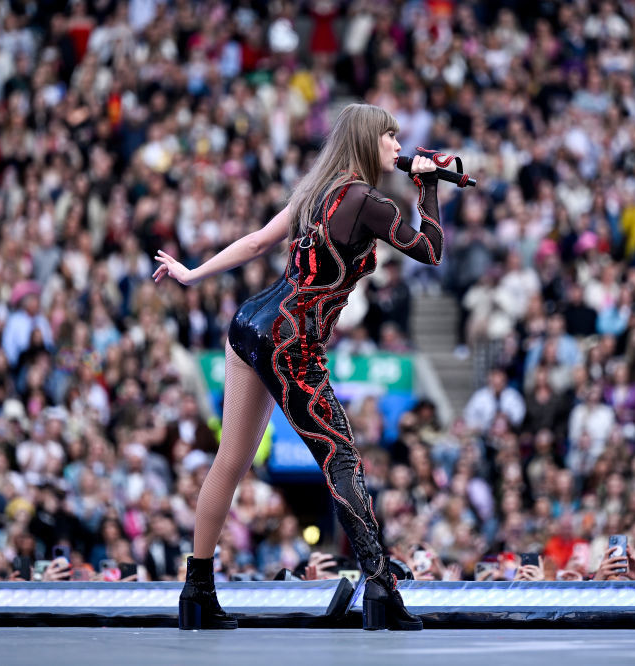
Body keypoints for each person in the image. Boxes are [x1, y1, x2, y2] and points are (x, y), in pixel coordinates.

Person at [153, 103, 443, 630]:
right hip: (291, 343)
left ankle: (196, 593)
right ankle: (380, 589)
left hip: (249, 322)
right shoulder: (366, 202)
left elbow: (258, 241)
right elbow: (432, 250)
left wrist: (194, 274)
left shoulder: (317, 190)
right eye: (390, 137)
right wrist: (429, 190)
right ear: (366, 140)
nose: (399, 147)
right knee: (343, 460)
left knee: (231, 460)